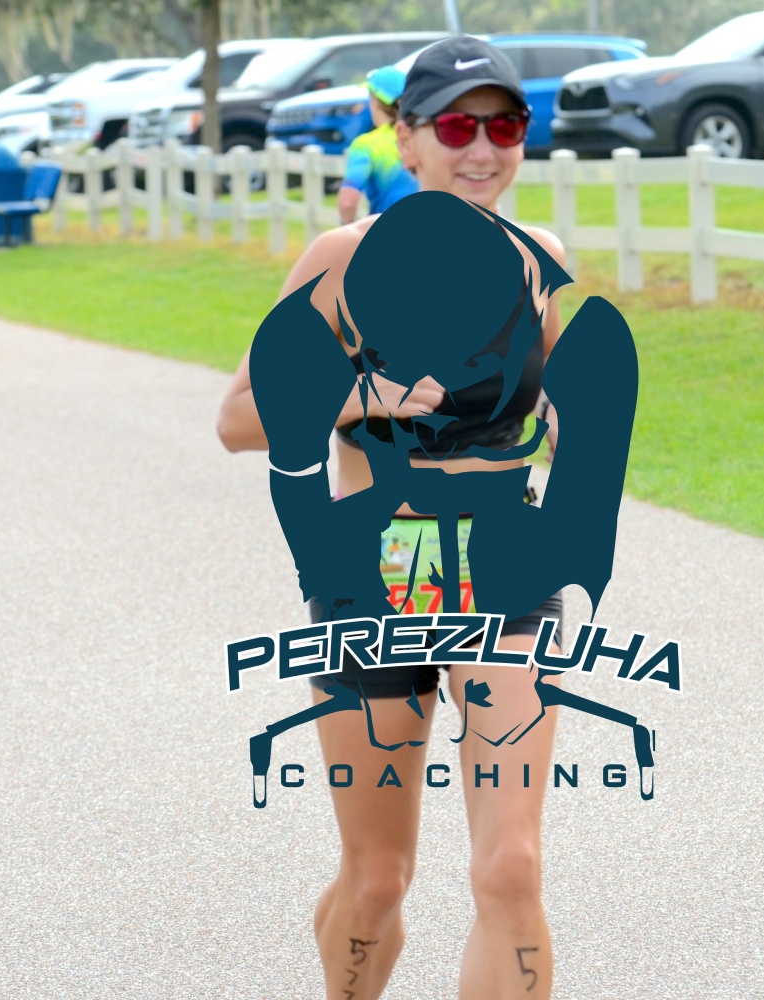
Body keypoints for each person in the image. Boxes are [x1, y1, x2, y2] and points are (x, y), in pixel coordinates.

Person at [218, 36, 570, 1000]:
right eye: (456, 126)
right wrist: (356, 396)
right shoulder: (341, 261)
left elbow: (547, 401)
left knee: (511, 867)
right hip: (373, 573)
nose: (482, 148)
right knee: (378, 878)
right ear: (405, 140)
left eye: (504, 125)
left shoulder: (539, 260)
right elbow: (237, 418)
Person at [337, 65, 418, 224]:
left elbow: (347, 203)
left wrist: (349, 229)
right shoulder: (421, 137)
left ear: (375, 101)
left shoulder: (366, 145)